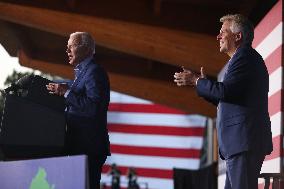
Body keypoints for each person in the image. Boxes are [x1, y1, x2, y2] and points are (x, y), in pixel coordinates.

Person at [174, 14, 273, 189]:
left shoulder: (244, 57)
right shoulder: (241, 58)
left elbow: (225, 92)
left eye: (223, 32)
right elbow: (229, 98)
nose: (218, 36)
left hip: (243, 143)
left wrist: (197, 81)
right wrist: (200, 85)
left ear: (237, 36)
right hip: (239, 144)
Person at [46, 32, 110, 189]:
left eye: (71, 46)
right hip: (78, 145)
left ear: (87, 49)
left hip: (88, 147)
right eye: (67, 47)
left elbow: (93, 107)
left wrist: (65, 93)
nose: (67, 51)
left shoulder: (94, 72)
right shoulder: (82, 72)